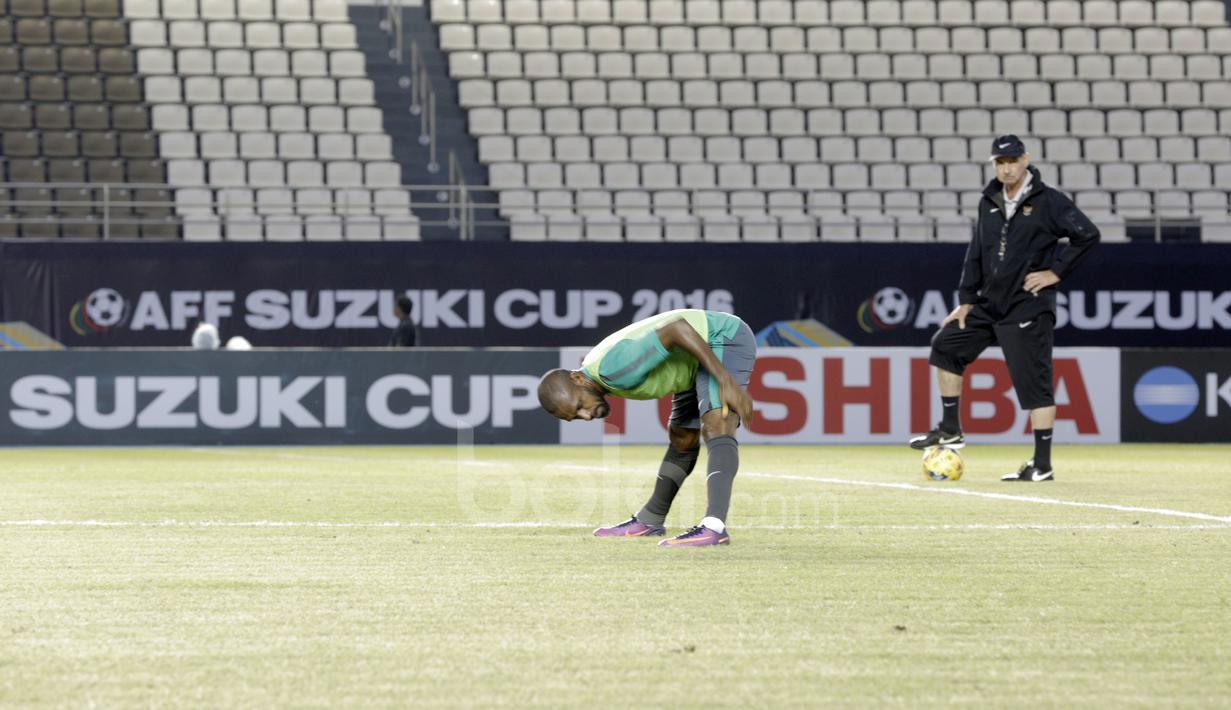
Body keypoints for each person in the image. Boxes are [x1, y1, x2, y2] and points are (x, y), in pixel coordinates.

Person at [910, 135, 1100, 482]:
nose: (1006, 167)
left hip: (1027, 306)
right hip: (989, 302)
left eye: (1012, 160)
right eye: (1000, 162)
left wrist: (1055, 272)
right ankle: (951, 428)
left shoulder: (1050, 201)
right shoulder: (990, 199)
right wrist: (966, 299)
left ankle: (1041, 465)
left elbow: (1087, 235)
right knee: (945, 344)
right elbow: (977, 251)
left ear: (1025, 160)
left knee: (1034, 386)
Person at [538, 309, 756, 547]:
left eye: (579, 406)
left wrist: (725, 381)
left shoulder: (614, 368)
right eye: (576, 417)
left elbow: (678, 328)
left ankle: (714, 527)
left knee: (717, 423)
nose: (586, 416)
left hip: (720, 337)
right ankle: (650, 519)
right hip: (691, 357)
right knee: (683, 438)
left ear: (577, 379)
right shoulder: (598, 372)